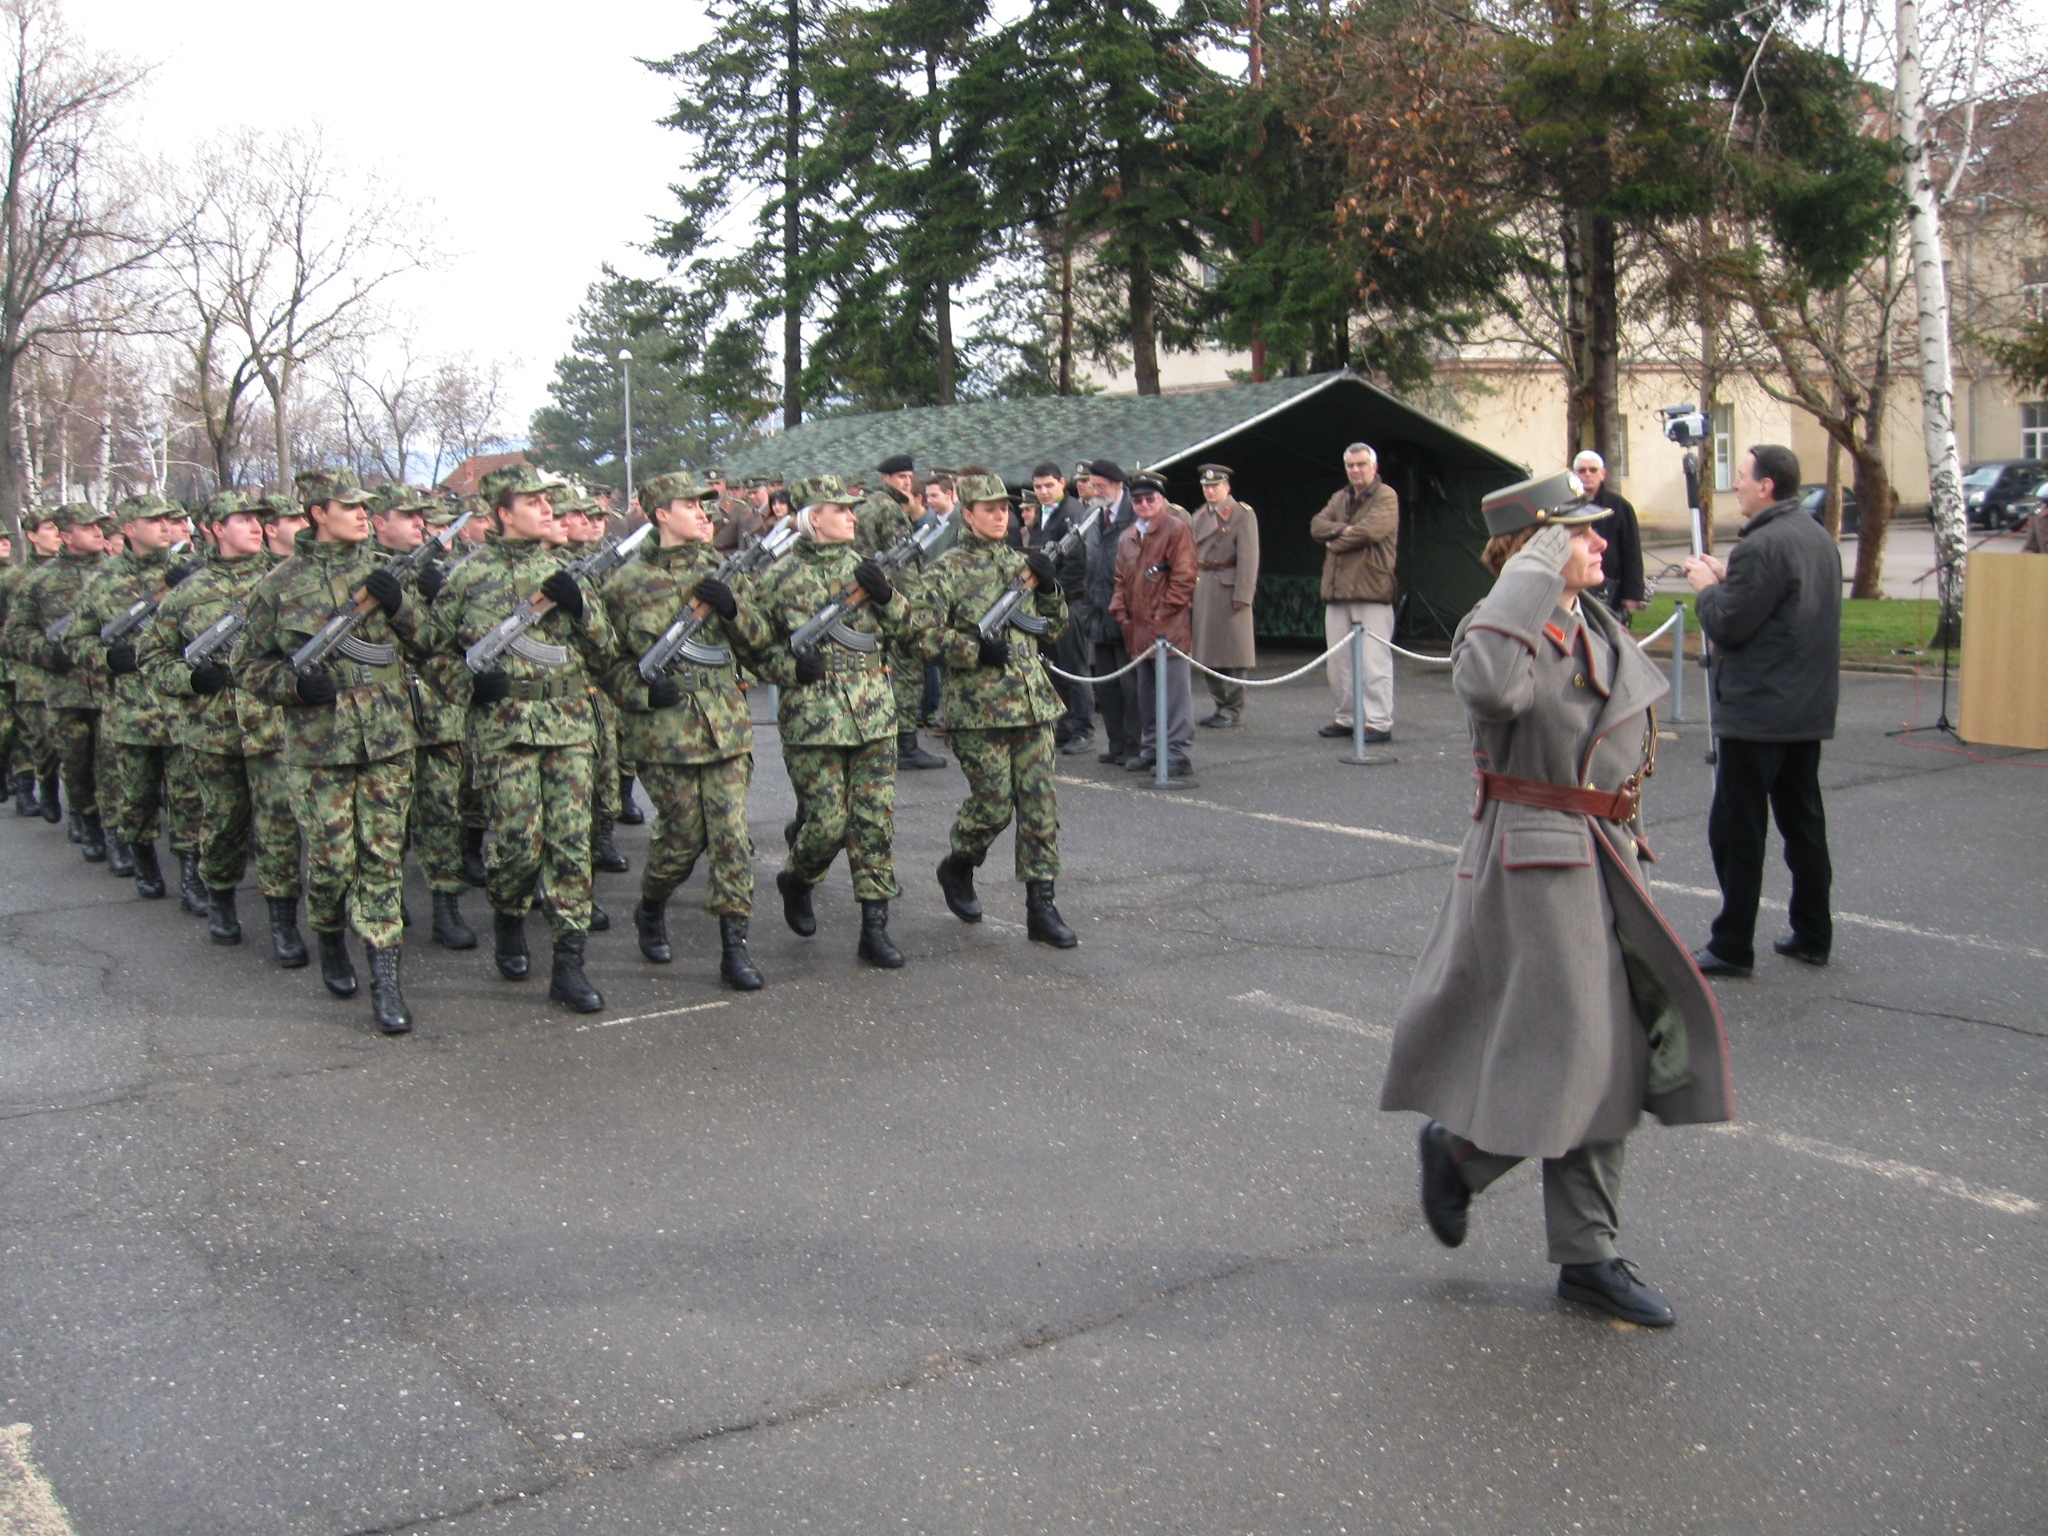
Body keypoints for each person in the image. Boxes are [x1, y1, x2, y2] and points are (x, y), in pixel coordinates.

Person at [1382, 470, 1735, 1328]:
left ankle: (1572, 1243)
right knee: (1581, 1056)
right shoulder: (1498, 628)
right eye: (1578, 533)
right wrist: (1533, 572)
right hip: (1535, 868)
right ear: (1534, 548)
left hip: (1604, 856)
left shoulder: (1588, 618)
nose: (1600, 542)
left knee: (1606, 1055)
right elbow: (1494, 690)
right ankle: (1494, 1178)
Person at [238, 468, 428, 1034]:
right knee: (331, 863)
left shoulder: (386, 576)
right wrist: (293, 687)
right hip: (319, 746)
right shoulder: (278, 585)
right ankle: (328, 936)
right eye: (351, 506)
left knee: (384, 859)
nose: (363, 514)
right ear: (319, 512)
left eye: (366, 506)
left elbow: (432, 644)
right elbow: (247, 666)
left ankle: (386, 980)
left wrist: (400, 608)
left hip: (388, 739)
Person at [423, 463, 617, 1014]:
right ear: (503, 514)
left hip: (569, 726)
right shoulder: (466, 577)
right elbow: (432, 652)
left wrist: (581, 609)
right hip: (504, 731)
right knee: (515, 847)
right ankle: (509, 916)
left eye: (548, 500)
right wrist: (467, 683)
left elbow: (606, 655)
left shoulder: (569, 573)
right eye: (533, 502)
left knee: (571, 844)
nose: (547, 508)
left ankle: (569, 964)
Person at [600, 470, 771, 988]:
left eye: (706, 505)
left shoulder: (724, 571)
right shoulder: (624, 585)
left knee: (730, 838)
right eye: (690, 505)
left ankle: (734, 947)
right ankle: (652, 904)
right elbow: (605, 662)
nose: (704, 513)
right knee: (682, 837)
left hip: (726, 726)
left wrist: (733, 608)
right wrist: (640, 691)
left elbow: (760, 643)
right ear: (659, 515)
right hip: (663, 731)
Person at [1683, 443, 1841, 977]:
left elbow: (1729, 624)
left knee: (1738, 830)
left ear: (1767, 485)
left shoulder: (1762, 545)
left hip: (1758, 712)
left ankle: (1731, 944)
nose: (1736, 485)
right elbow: (1780, 602)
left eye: (1743, 476)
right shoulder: (1815, 537)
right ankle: (1814, 931)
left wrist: (1707, 589)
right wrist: (1731, 578)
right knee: (1802, 822)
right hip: (1804, 708)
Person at [748, 474, 915, 968]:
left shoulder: (867, 570)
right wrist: (787, 668)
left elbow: (910, 633)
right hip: (813, 716)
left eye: (852, 508)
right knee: (824, 824)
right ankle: (797, 878)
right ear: (811, 518)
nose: (851, 516)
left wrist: (887, 598)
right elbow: (753, 650)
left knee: (873, 825)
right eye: (839, 509)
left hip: (874, 712)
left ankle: (874, 928)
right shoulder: (777, 578)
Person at [912, 471, 1077, 946]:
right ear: (967, 513)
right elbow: (918, 636)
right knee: (993, 805)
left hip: (1032, 703)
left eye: (1005, 508)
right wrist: (971, 651)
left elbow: (1054, 629)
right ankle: (959, 864)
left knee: (1040, 806)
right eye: (989, 508)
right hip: (979, 710)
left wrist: (1048, 589)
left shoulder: (1021, 564)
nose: (1001, 515)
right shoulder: (945, 570)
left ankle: (1041, 907)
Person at [141, 492, 305, 960]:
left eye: (260, 521)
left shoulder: (284, 582)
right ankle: (221, 902)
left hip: (273, 727)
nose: (257, 527)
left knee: (280, 825)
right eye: (244, 520)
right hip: (211, 730)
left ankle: (283, 922)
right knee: (223, 823)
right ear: (215, 527)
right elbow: (151, 658)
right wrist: (191, 678)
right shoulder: (188, 592)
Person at [66, 494, 203, 899]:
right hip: (132, 710)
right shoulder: (103, 582)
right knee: (138, 797)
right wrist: (108, 657)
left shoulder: (191, 572)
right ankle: (143, 858)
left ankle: (192, 877)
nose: (165, 526)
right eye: (153, 520)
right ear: (128, 529)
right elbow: (77, 641)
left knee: (189, 798)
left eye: (167, 519)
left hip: (183, 706)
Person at [368, 485, 478, 952]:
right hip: (382, 716)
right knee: (383, 821)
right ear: (379, 523)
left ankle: (445, 906)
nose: (420, 524)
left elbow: (468, 639)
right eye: (408, 516)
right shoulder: (361, 578)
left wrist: (442, 596)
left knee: (441, 812)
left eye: (423, 517)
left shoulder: (443, 574)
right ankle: (383, 904)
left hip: (436, 711)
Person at [8, 503, 110, 854]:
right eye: (88, 527)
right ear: (67, 536)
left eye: (100, 525)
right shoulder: (38, 581)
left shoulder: (116, 574)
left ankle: (116, 837)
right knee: (77, 764)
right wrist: (47, 654)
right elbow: (16, 633)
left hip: (113, 688)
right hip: (67, 690)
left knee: (113, 767)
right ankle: (87, 821)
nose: (98, 531)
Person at [1111, 471, 1198, 777]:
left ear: (1161, 499)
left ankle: (1177, 752)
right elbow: (1121, 578)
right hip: (1138, 628)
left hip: (1167, 629)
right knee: (1146, 695)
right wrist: (1119, 610)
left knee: (1174, 696)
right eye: (1138, 500)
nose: (1145, 504)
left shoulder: (1175, 529)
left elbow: (1184, 578)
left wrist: (1162, 613)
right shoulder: (1129, 536)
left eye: (1151, 498)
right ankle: (1152, 749)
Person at [1311, 442, 1399, 742]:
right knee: (1338, 663)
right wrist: (1343, 529)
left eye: (1361, 464)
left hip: (1371, 590)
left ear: (1374, 467)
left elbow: (1371, 531)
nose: (1356, 470)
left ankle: (1378, 721)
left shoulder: (1386, 496)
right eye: (1351, 465)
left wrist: (1336, 539)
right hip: (1337, 593)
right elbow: (1316, 526)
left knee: (1373, 662)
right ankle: (1346, 717)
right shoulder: (1340, 497)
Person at [1028, 461, 1095, 755]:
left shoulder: (1070, 513)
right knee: (1055, 668)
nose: (1043, 492)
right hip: (1051, 603)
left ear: (1062, 483)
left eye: (1048, 486)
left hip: (1069, 602)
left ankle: (1083, 728)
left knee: (1074, 668)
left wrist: (1054, 599)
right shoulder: (1048, 514)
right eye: (1038, 487)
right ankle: (1066, 725)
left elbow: (1076, 565)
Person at [1076, 459, 1139, 764]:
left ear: (1118, 486)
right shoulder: (1091, 516)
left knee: (1131, 687)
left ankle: (1135, 746)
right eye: (1093, 485)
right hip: (1098, 611)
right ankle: (1116, 744)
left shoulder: (1133, 515)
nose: (1095, 491)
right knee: (1108, 686)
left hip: (1126, 613)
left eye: (1101, 486)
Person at [1189, 463, 1260, 728]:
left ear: (1226, 487)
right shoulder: (1199, 515)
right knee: (1207, 653)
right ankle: (1221, 704)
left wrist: (1244, 592)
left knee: (1232, 653)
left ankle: (1233, 706)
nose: (1210, 490)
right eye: (1206, 486)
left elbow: (1249, 556)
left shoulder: (1241, 514)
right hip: (1203, 584)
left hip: (1228, 587)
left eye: (1215, 486)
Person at [4, 510, 63, 819]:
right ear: (32, 535)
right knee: (38, 736)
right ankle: (37, 788)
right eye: (50, 528)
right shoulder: (14, 579)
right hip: (28, 668)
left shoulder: (72, 573)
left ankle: (82, 815)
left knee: (69, 740)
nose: (56, 534)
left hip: (69, 669)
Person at [1574, 450, 1645, 625]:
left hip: (1609, 586)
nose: (1587, 475)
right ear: (1574, 475)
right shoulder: (1565, 507)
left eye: (1593, 470)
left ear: (1603, 474)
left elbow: (1632, 551)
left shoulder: (1619, 507)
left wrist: (1631, 594)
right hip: (1575, 584)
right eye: (1582, 471)